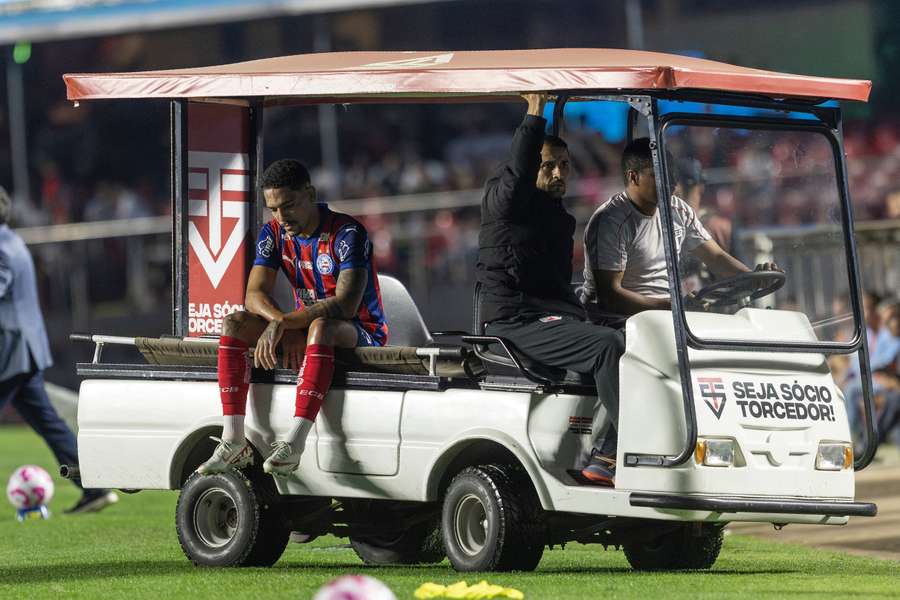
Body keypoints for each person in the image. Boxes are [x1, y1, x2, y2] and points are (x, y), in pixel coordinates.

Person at [198, 159, 388, 477]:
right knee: (233, 323)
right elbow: (253, 295)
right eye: (273, 208)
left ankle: (295, 444)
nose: (281, 217)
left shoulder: (348, 233)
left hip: (361, 329)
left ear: (310, 194)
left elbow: (347, 305)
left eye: (289, 205)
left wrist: (285, 323)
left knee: (321, 325)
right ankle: (234, 440)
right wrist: (281, 324)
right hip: (304, 328)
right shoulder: (273, 232)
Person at [476, 93, 624, 487]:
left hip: (549, 315)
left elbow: (558, 290)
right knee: (607, 345)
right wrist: (534, 115)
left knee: (633, 335)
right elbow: (517, 175)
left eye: (564, 165)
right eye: (547, 167)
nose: (558, 174)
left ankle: (606, 447)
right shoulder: (504, 204)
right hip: (514, 321)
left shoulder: (558, 219)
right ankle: (615, 452)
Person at [0, 186, 118, 514]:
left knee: (49, 422)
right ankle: (94, 488)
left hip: (9, 352)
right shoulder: (12, 240)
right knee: (50, 423)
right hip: (24, 351)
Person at [581, 138, 781, 328]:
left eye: (672, 176)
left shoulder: (678, 210)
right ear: (633, 177)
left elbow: (717, 257)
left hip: (669, 319)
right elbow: (610, 297)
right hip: (623, 323)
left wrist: (753, 278)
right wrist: (675, 307)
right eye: (660, 175)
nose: (673, 185)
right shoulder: (610, 222)